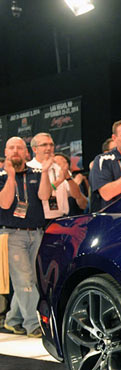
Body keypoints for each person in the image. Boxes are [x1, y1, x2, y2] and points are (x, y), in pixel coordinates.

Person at [0, 136, 51, 338]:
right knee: (24, 280)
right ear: (5, 152)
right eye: (11, 148)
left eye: (19, 148)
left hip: (36, 232)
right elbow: (4, 204)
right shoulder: (2, 176)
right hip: (12, 235)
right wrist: (11, 176)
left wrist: (46, 171)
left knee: (32, 280)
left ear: (26, 152)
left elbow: (45, 196)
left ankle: (13, 320)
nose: (15, 151)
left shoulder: (37, 173)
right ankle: (32, 325)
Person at [27, 133, 68, 218]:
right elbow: (40, 194)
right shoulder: (28, 168)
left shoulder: (59, 167)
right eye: (44, 145)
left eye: (51, 145)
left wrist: (70, 178)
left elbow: (73, 194)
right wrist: (58, 181)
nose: (49, 148)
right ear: (35, 149)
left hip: (61, 218)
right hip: (39, 220)